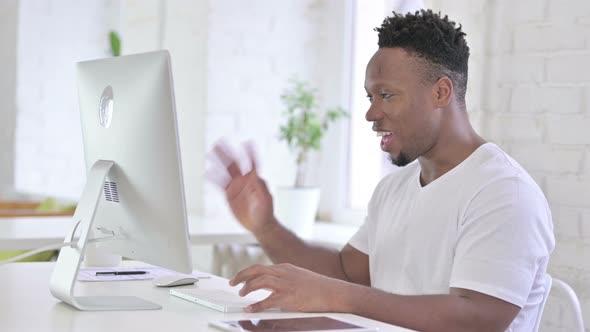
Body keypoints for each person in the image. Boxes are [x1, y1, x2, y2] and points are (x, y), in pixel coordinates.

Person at [211, 9, 555, 332]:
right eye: (370, 97)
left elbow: (476, 318)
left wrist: (338, 296)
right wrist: (265, 225)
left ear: (441, 92)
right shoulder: (394, 188)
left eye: (386, 95)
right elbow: (347, 274)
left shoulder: (504, 193)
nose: (371, 114)